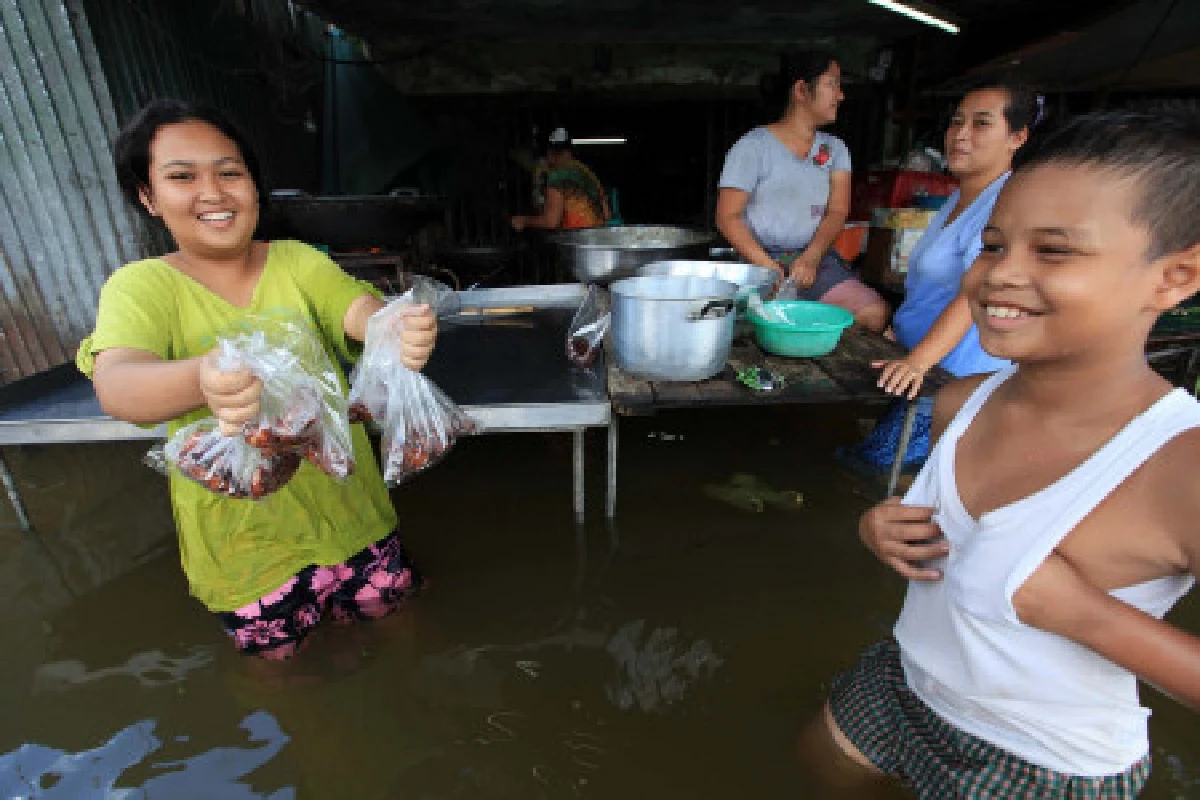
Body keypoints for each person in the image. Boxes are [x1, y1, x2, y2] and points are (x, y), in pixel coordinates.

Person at [805, 107, 1200, 798]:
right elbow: (942, 545)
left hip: (1042, 759)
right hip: (905, 679)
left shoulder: (1180, 464)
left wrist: (1084, 614)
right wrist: (882, 526)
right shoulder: (963, 401)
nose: (999, 276)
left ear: (1174, 278)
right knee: (814, 768)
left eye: (1054, 251)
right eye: (993, 245)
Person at [76, 99, 438, 660]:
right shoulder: (141, 287)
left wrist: (397, 327)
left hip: (355, 520)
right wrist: (204, 378)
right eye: (181, 176)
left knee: (404, 645)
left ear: (253, 184)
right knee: (287, 686)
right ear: (147, 197)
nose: (213, 193)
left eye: (229, 172)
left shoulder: (297, 262)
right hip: (245, 549)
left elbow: (359, 310)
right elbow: (118, 385)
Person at [837, 82, 1040, 475]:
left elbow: (975, 293)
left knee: (873, 467)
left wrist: (917, 362)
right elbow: (931, 287)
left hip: (953, 377)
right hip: (923, 363)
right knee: (861, 455)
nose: (960, 135)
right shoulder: (959, 197)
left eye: (981, 124)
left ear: (1017, 137)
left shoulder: (1003, 206)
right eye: (956, 123)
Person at [716, 50, 889, 333]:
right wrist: (766, 267)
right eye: (832, 83)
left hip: (816, 260)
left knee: (873, 314)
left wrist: (811, 258)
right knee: (758, 327)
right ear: (801, 90)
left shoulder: (835, 149)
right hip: (757, 259)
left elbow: (837, 211)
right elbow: (727, 217)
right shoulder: (752, 147)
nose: (841, 95)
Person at [511, 127, 610, 231]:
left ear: (550, 153)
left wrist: (523, 220)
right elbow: (607, 214)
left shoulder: (557, 176)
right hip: (599, 237)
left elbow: (551, 221)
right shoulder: (588, 173)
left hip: (576, 239)